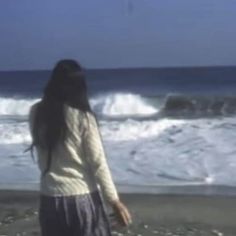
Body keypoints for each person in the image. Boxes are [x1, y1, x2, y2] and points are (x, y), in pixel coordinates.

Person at [28, 59, 132, 236]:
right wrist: (114, 201)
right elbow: (98, 163)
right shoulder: (83, 117)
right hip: (81, 198)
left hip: (49, 198)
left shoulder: (36, 112)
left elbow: (42, 153)